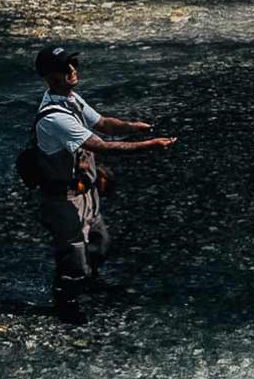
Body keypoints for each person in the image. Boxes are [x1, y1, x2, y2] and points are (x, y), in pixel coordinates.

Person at [33, 45, 177, 326]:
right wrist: (149, 145)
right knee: (73, 257)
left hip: (85, 192)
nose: (72, 70)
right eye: (65, 67)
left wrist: (132, 126)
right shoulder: (55, 118)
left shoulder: (71, 99)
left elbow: (103, 124)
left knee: (100, 244)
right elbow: (101, 146)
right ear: (50, 77)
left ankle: (89, 282)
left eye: (73, 64)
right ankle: (66, 305)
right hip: (63, 199)